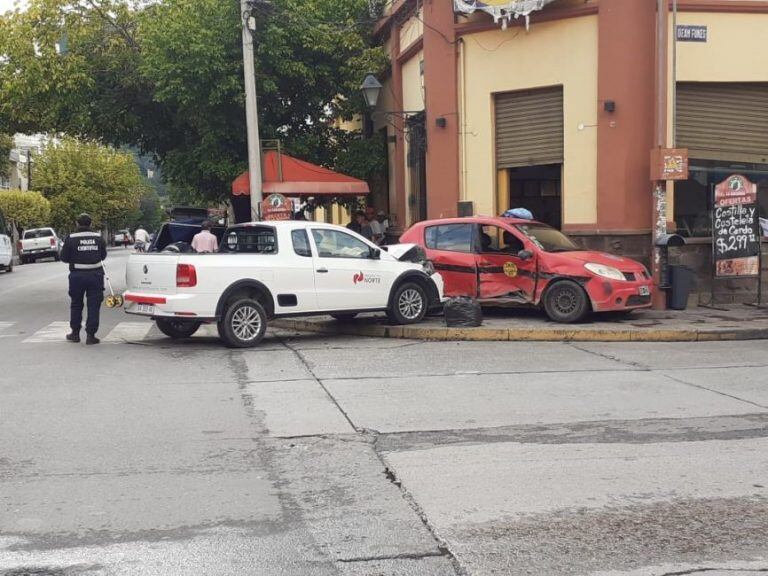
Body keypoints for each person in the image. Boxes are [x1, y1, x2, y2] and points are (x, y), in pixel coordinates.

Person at [60, 213, 108, 345]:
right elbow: (103, 256)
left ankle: (75, 334)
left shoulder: (71, 238)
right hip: (95, 276)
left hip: (77, 276)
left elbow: (63, 258)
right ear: (90, 224)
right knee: (94, 306)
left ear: (77, 223)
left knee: (76, 304)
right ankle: (91, 335)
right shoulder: (98, 238)